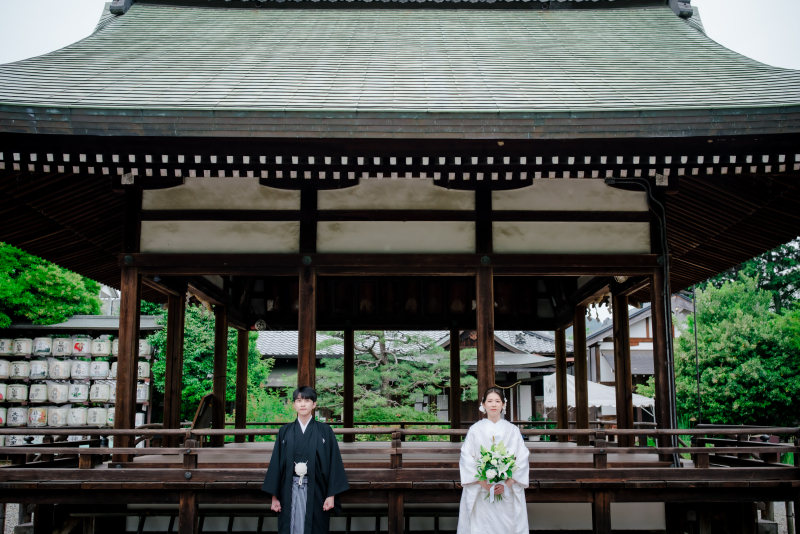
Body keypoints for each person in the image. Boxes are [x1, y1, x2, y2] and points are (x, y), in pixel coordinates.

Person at [262, 386, 349, 534]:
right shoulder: (285, 431)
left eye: (307, 400)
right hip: (288, 489)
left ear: (314, 404)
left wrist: (331, 495)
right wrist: (274, 497)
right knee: (289, 526)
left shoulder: (325, 431)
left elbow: (334, 464)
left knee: (316, 527)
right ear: (294, 404)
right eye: (299, 400)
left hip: (317, 490)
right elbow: (276, 465)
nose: (303, 404)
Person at [457, 387, 530, 534]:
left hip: (507, 487)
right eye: (489, 401)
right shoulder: (475, 429)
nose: (493, 404)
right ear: (483, 404)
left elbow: (522, 458)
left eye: (497, 401)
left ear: (503, 405)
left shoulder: (512, 430)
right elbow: (467, 459)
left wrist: (507, 482)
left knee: (509, 524)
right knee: (481, 525)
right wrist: (485, 484)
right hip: (481, 487)